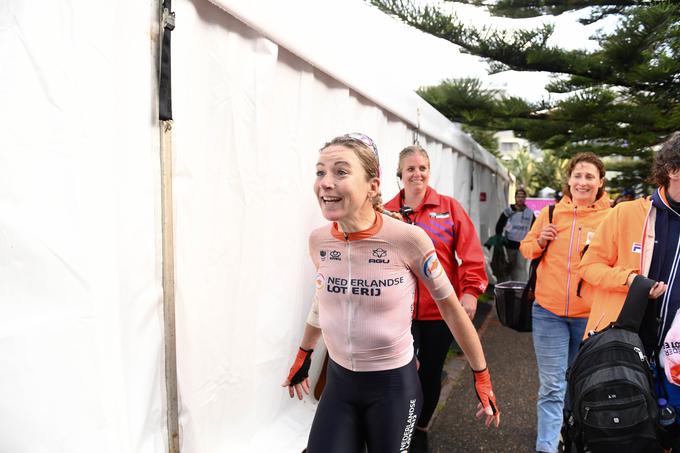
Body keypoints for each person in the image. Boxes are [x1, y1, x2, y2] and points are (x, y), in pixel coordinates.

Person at [282, 134, 499, 453]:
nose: (325, 183)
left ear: (373, 185)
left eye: (340, 172)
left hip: (393, 388)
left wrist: (481, 375)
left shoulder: (408, 239)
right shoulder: (319, 241)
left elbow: (451, 310)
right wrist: (304, 353)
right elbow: (323, 300)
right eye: (320, 172)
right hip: (340, 385)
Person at [383, 144, 488, 450]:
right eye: (410, 168)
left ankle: (420, 429)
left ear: (429, 172)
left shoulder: (449, 207)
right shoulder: (385, 211)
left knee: (430, 372)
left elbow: (470, 253)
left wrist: (470, 293)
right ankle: (397, 429)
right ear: (399, 174)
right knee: (402, 372)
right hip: (397, 312)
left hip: (441, 312)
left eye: (422, 168)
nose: (417, 173)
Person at [579, 134, 679, 447]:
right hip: (626, 352)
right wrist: (631, 281)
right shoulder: (627, 214)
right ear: (673, 169)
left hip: (676, 358)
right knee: (622, 438)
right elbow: (588, 266)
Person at [519, 152, 611, 453]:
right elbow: (527, 249)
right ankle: (547, 445)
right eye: (578, 176)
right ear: (569, 180)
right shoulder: (549, 213)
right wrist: (540, 240)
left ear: (600, 182)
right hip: (549, 312)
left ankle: (571, 434)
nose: (582, 182)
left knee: (579, 384)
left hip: (590, 316)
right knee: (553, 385)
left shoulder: (611, 218)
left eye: (589, 177)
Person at [494, 187, 535, 282]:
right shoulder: (508, 211)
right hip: (510, 245)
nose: (520, 198)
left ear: (525, 198)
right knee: (511, 266)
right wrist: (500, 240)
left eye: (522, 196)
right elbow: (499, 226)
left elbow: (534, 228)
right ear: (515, 197)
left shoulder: (530, 213)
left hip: (523, 245)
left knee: (521, 267)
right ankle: (510, 285)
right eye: (518, 196)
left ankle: (521, 286)